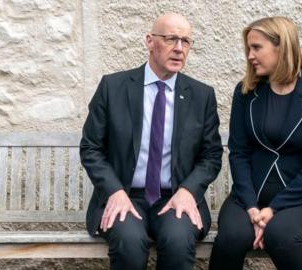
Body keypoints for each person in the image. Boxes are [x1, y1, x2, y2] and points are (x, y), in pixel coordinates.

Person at [80, 13, 222, 270]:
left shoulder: (201, 96)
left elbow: (211, 156)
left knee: (178, 242)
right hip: (125, 195)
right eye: (170, 39)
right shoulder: (113, 87)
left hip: (175, 197)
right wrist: (114, 191)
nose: (179, 48)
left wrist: (188, 191)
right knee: (130, 243)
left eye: (186, 41)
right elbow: (91, 148)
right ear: (150, 41)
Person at [209, 16, 302, 270]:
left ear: (283, 47)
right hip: (248, 198)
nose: (249, 55)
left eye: (256, 47)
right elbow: (239, 153)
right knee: (232, 237)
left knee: (280, 235)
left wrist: (274, 209)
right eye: (248, 48)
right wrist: (252, 208)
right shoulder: (245, 92)